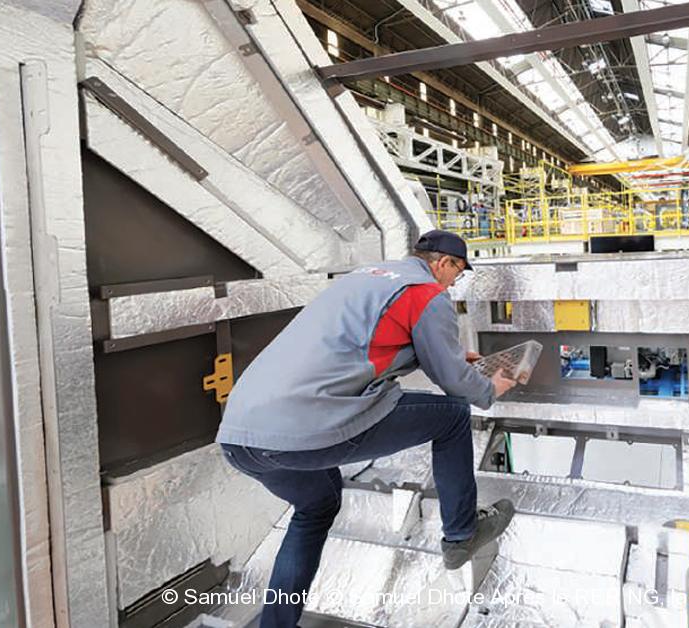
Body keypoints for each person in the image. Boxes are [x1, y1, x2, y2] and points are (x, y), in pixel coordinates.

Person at [215, 230, 518, 628]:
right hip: (306, 426)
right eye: (456, 274)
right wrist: (488, 387)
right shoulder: (427, 293)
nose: (453, 283)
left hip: (240, 436)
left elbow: (364, 340)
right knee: (453, 415)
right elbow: (453, 382)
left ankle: (276, 625)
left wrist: (452, 353)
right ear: (444, 263)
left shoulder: (366, 277)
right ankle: (461, 534)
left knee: (315, 507)